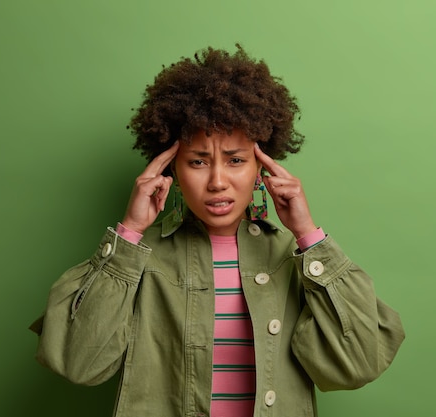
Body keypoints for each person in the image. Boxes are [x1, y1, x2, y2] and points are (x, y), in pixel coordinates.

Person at [30, 45, 405, 417]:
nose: (217, 181)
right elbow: (78, 364)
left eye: (236, 160)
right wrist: (129, 232)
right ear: (171, 168)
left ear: (261, 168)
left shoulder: (294, 258)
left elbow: (359, 364)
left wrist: (308, 235)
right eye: (198, 161)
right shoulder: (138, 258)